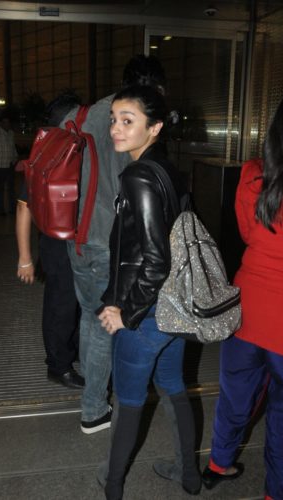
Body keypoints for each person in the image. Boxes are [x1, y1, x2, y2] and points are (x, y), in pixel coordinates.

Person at [201, 87, 283, 500]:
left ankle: (217, 464)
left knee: (235, 395)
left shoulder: (254, 172)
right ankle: (276, 492)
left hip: (246, 313)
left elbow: (250, 234)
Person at [97, 85, 202, 499]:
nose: (116, 129)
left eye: (128, 121)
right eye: (114, 120)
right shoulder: (168, 170)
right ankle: (188, 474)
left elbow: (156, 258)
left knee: (128, 399)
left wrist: (126, 311)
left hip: (146, 313)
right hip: (174, 308)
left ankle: (113, 486)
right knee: (174, 385)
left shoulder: (138, 175)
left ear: (154, 127)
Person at [63, 55, 168, 434]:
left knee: (92, 321)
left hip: (78, 237)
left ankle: (95, 401)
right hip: (112, 243)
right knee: (108, 324)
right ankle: (95, 408)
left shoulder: (86, 114)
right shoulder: (135, 121)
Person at [16, 91, 83, 389]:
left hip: (69, 241)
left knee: (73, 303)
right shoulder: (50, 153)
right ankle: (58, 365)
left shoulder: (58, 148)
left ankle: (72, 352)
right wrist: (25, 258)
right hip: (57, 243)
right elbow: (23, 206)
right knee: (61, 305)